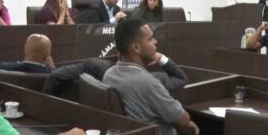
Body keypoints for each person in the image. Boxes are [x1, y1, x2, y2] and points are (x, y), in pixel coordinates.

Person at [44, 53, 188, 96]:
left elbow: (55, 76)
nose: (155, 42)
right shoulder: (154, 80)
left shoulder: (98, 67)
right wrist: (162, 58)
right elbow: (181, 79)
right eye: (151, 40)